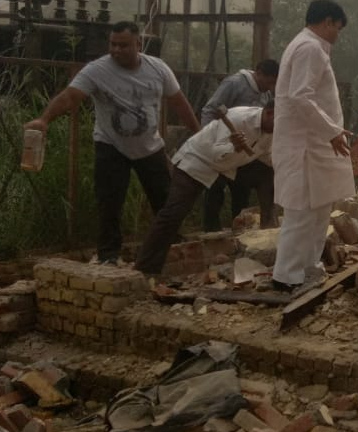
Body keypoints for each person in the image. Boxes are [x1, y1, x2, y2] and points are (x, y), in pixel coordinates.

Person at [23, 21, 200, 265]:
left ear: (138, 44)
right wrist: (44, 119)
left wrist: (198, 133)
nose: (116, 50)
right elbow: (70, 97)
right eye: (113, 44)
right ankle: (109, 256)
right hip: (111, 146)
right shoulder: (96, 70)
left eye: (123, 45)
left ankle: (171, 248)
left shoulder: (158, 68)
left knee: (166, 200)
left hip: (150, 147)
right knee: (109, 203)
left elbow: (179, 101)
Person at [272, 0, 354, 292]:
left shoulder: (310, 47)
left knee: (319, 208)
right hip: (304, 145)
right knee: (301, 211)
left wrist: (330, 133)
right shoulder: (309, 48)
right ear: (328, 22)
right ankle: (286, 276)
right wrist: (331, 131)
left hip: (314, 144)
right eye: (338, 28)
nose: (338, 35)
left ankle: (308, 268)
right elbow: (300, 97)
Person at [135, 104, 274, 275]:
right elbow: (217, 151)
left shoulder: (272, 131)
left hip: (227, 168)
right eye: (280, 119)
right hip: (198, 161)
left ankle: (268, 230)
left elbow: (268, 157)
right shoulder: (238, 118)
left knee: (268, 175)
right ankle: (146, 268)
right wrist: (234, 146)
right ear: (269, 113)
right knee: (173, 214)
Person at [200, 59, 279, 231]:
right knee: (215, 191)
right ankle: (211, 231)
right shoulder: (234, 84)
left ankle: (239, 231)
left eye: (274, 83)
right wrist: (209, 142)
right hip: (222, 148)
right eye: (269, 81)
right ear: (258, 73)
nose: (270, 86)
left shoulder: (266, 95)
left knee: (241, 194)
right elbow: (210, 110)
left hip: (244, 154)